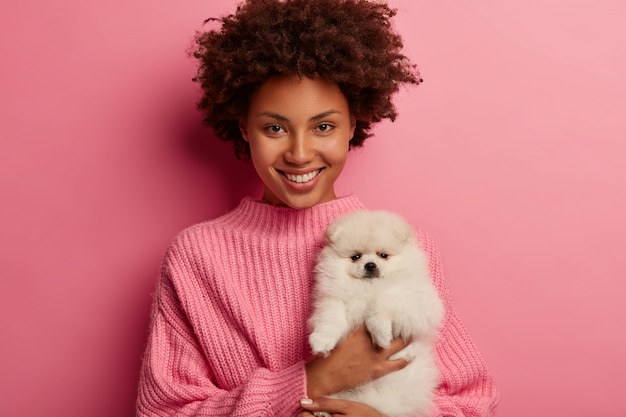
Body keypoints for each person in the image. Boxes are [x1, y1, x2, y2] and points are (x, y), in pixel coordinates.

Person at [136, 0, 500, 416]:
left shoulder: (401, 249)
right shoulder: (197, 256)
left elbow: (473, 402)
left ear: (353, 124)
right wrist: (313, 380)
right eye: (275, 128)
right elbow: (164, 411)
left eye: (323, 126)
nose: (300, 152)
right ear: (243, 128)